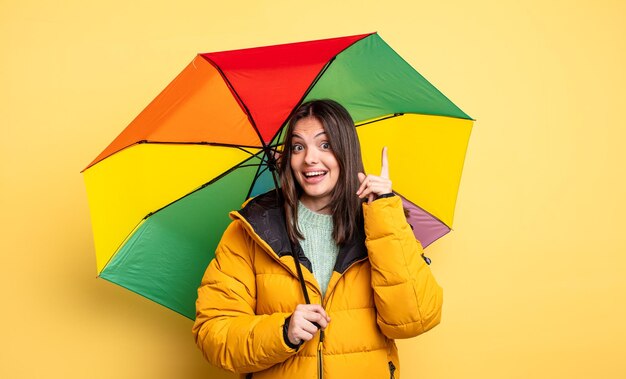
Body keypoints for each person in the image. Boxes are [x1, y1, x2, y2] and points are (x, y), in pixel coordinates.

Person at [192, 99, 443, 378]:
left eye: (325, 145)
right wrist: (283, 332)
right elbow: (213, 334)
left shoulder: (383, 221)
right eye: (298, 147)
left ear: (346, 151)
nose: (310, 158)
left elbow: (414, 319)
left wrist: (384, 211)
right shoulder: (249, 230)